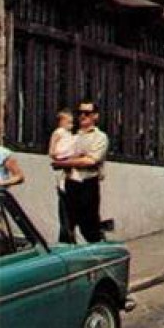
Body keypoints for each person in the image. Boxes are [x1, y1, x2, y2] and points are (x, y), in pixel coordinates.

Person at [54, 100, 109, 243]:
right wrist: (72, 159)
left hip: (87, 184)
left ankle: (99, 256)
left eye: (87, 113)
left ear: (95, 116)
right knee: (66, 228)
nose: (83, 116)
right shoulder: (70, 134)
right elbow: (56, 154)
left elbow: (91, 161)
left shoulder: (99, 137)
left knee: (89, 227)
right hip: (69, 183)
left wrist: (66, 162)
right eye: (80, 113)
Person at [49, 108, 76, 243]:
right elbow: (52, 152)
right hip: (64, 171)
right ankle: (67, 239)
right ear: (61, 122)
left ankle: (69, 237)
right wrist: (65, 156)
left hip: (70, 173)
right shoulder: (59, 133)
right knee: (66, 210)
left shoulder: (70, 135)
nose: (71, 125)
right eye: (68, 122)